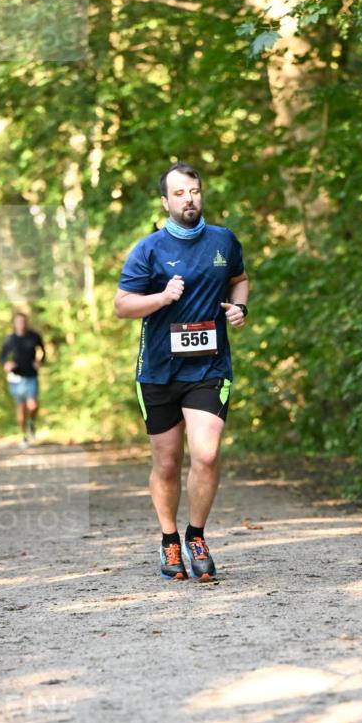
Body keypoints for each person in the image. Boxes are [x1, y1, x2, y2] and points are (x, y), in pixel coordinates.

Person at [115, 162, 249, 581]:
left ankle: (196, 535)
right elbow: (122, 305)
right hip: (157, 371)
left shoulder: (223, 240)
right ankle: (169, 541)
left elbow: (240, 279)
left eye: (193, 190)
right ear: (165, 201)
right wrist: (161, 297)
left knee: (206, 454)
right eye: (179, 193)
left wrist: (239, 307)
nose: (188, 198)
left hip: (209, 368)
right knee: (169, 462)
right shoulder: (148, 249)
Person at [0, 312, 45, 449]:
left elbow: (43, 352)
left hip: (31, 376)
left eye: (23, 321)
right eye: (18, 322)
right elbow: (2, 356)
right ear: (14, 323)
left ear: (26, 322)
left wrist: (39, 361)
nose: (21, 324)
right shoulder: (10, 339)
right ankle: (24, 436)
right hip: (16, 378)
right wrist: (6, 364)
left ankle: (31, 423)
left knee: (32, 405)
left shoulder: (34, 336)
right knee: (21, 408)